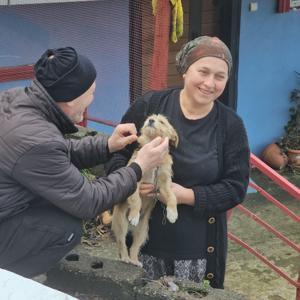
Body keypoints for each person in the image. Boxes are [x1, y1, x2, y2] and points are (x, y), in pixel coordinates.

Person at [0, 47, 169, 278]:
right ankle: (15, 283)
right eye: (91, 93)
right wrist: (138, 167)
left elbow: (54, 155)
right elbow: (87, 201)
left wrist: (107, 145)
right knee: (66, 229)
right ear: (71, 99)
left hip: (8, 204)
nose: (92, 99)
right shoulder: (36, 139)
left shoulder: (18, 99)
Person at [105, 36, 250, 289]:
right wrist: (129, 181)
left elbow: (236, 188)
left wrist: (187, 196)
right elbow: (116, 154)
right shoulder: (151, 105)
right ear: (184, 70)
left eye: (220, 76)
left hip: (197, 252)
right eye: (203, 72)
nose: (209, 83)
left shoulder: (230, 125)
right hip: (144, 246)